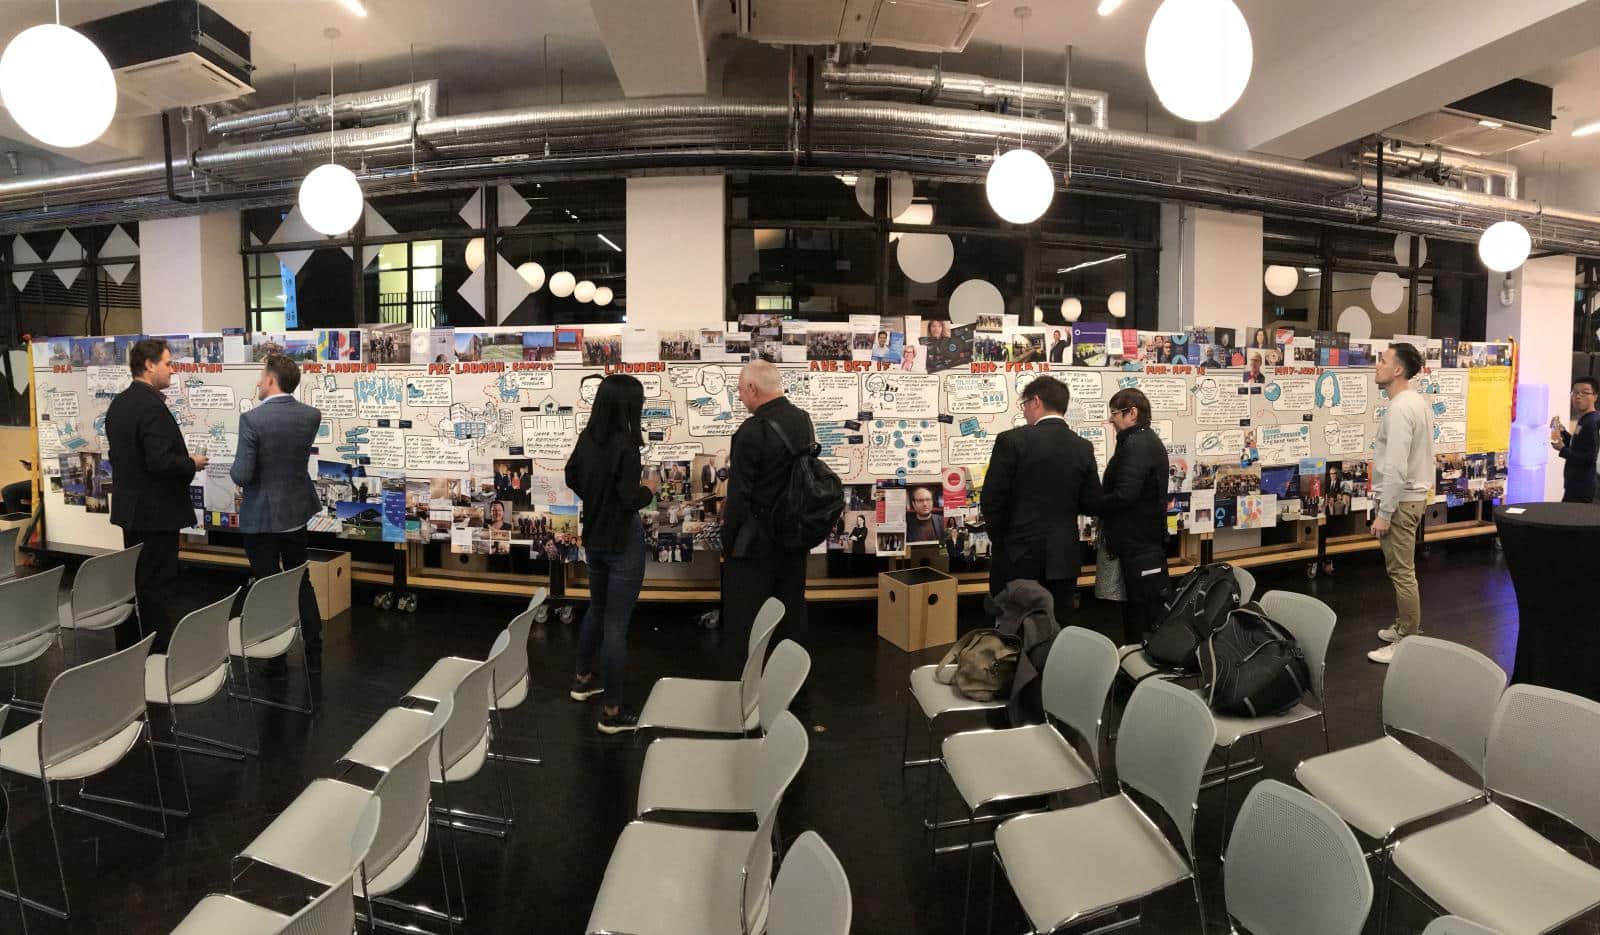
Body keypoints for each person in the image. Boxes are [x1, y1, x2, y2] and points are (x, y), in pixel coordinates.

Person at [106, 338, 208, 651]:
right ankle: (159, 653)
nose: (172, 370)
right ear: (149, 365)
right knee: (157, 587)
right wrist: (191, 463)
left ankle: (129, 650)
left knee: (135, 582)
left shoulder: (119, 403)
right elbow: (160, 461)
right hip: (156, 514)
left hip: (132, 511)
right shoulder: (151, 406)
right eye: (167, 363)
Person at [564, 374, 652, 734]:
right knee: (616, 625)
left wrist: (596, 498)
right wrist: (649, 490)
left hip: (595, 537)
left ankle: (582, 680)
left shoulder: (588, 437)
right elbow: (630, 498)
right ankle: (612, 712)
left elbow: (571, 476)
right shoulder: (627, 445)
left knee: (597, 609)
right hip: (622, 541)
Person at [981, 375, 1102, 620]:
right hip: (1064, 557)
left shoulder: (1011, 441)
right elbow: (1092, 502)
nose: (1024, 411)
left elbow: (992, 500)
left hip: (1017, 557)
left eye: (1024, 404)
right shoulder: (1083, 446)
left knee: (1015, 626)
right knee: (1057, 626)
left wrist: (1003, 541)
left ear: (1036, 401)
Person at [723, 359, 815, 677]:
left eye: (740, 390)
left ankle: (748, 686)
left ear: (752, 388)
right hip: (794, 535)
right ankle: (790, 681)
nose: (740, 397)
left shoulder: (751, 431)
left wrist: (729, 545)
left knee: (747, 618)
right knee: (791, 611)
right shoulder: (803, 420)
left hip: (756, 544)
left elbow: (739, 497)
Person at [231, 354, 325, 664]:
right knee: (301, 579)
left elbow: (242, 475)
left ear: (271, 380)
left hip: (262, 517)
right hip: (295, 513)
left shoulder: (252, 420)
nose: (258, 382)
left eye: (261, 376)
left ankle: (276, 657)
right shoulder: (311, 416)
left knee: (267, 585)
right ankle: (314, 648)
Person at [1367, 343, 1433, 664]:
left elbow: (1396, 466)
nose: (1377, 365)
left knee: (1402, 572)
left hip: (1401, 502)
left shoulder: (1400, 409)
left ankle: (1407, 638)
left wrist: (1384, 512)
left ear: (1397, 370)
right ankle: (1404, 626)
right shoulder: (1415, 402)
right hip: (1410, 499)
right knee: (1401, 570)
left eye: (1383, 361)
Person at [1097, 388, 1172, 645]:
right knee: (1139, 610)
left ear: (1132, 413)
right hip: (1142, 541)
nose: (1111, 420)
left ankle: (1140, 663)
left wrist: (1093, 503)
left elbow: (1125, 495)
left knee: (1142, 615)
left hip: (1139, 543)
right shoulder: (1140, 440)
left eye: (1115, 413)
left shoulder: (1137, 444)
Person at [1554, 377, 1600, 503]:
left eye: (1585, 392)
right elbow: (1579, 445)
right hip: (1575, 486)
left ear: (1595, 397)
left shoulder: (1593, 422)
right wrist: (1563, 432)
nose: (1578, 396)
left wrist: (1562, 449)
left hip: (1585, 489)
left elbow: (1590, 458)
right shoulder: (1586, 419)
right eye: (1575, 392)